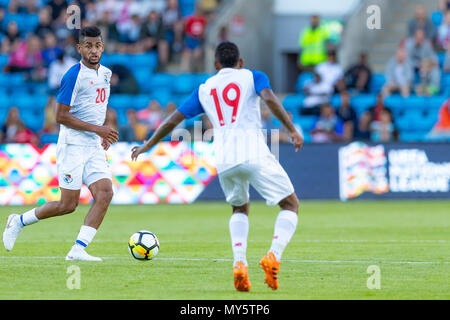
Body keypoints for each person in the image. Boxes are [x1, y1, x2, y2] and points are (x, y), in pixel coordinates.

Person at [131, 42, 303, 292]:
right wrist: (291, 129)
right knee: (290, 205)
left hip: (224, 159)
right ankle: (273, 256)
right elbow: (268, 98)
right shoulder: (254, 76)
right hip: (253, 152)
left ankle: (239, 264)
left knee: (239, 209)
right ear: (240, 62)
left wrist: (148, 143)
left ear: (215, 65)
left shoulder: (204, 89)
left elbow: (173, 120)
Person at [2, 26, 119, 261]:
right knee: (68, 205)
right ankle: (19, 221)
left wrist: (101, 135)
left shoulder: (106, 74)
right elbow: (60, 117)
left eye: (97, 46)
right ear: (79, 48)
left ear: (102, 47)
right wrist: (99, 129)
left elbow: (96, 109)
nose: (94, 50)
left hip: (93, 147)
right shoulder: (72, 75)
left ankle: (78, 249)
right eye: (88, 46)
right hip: (72, 146)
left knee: (105, 193)